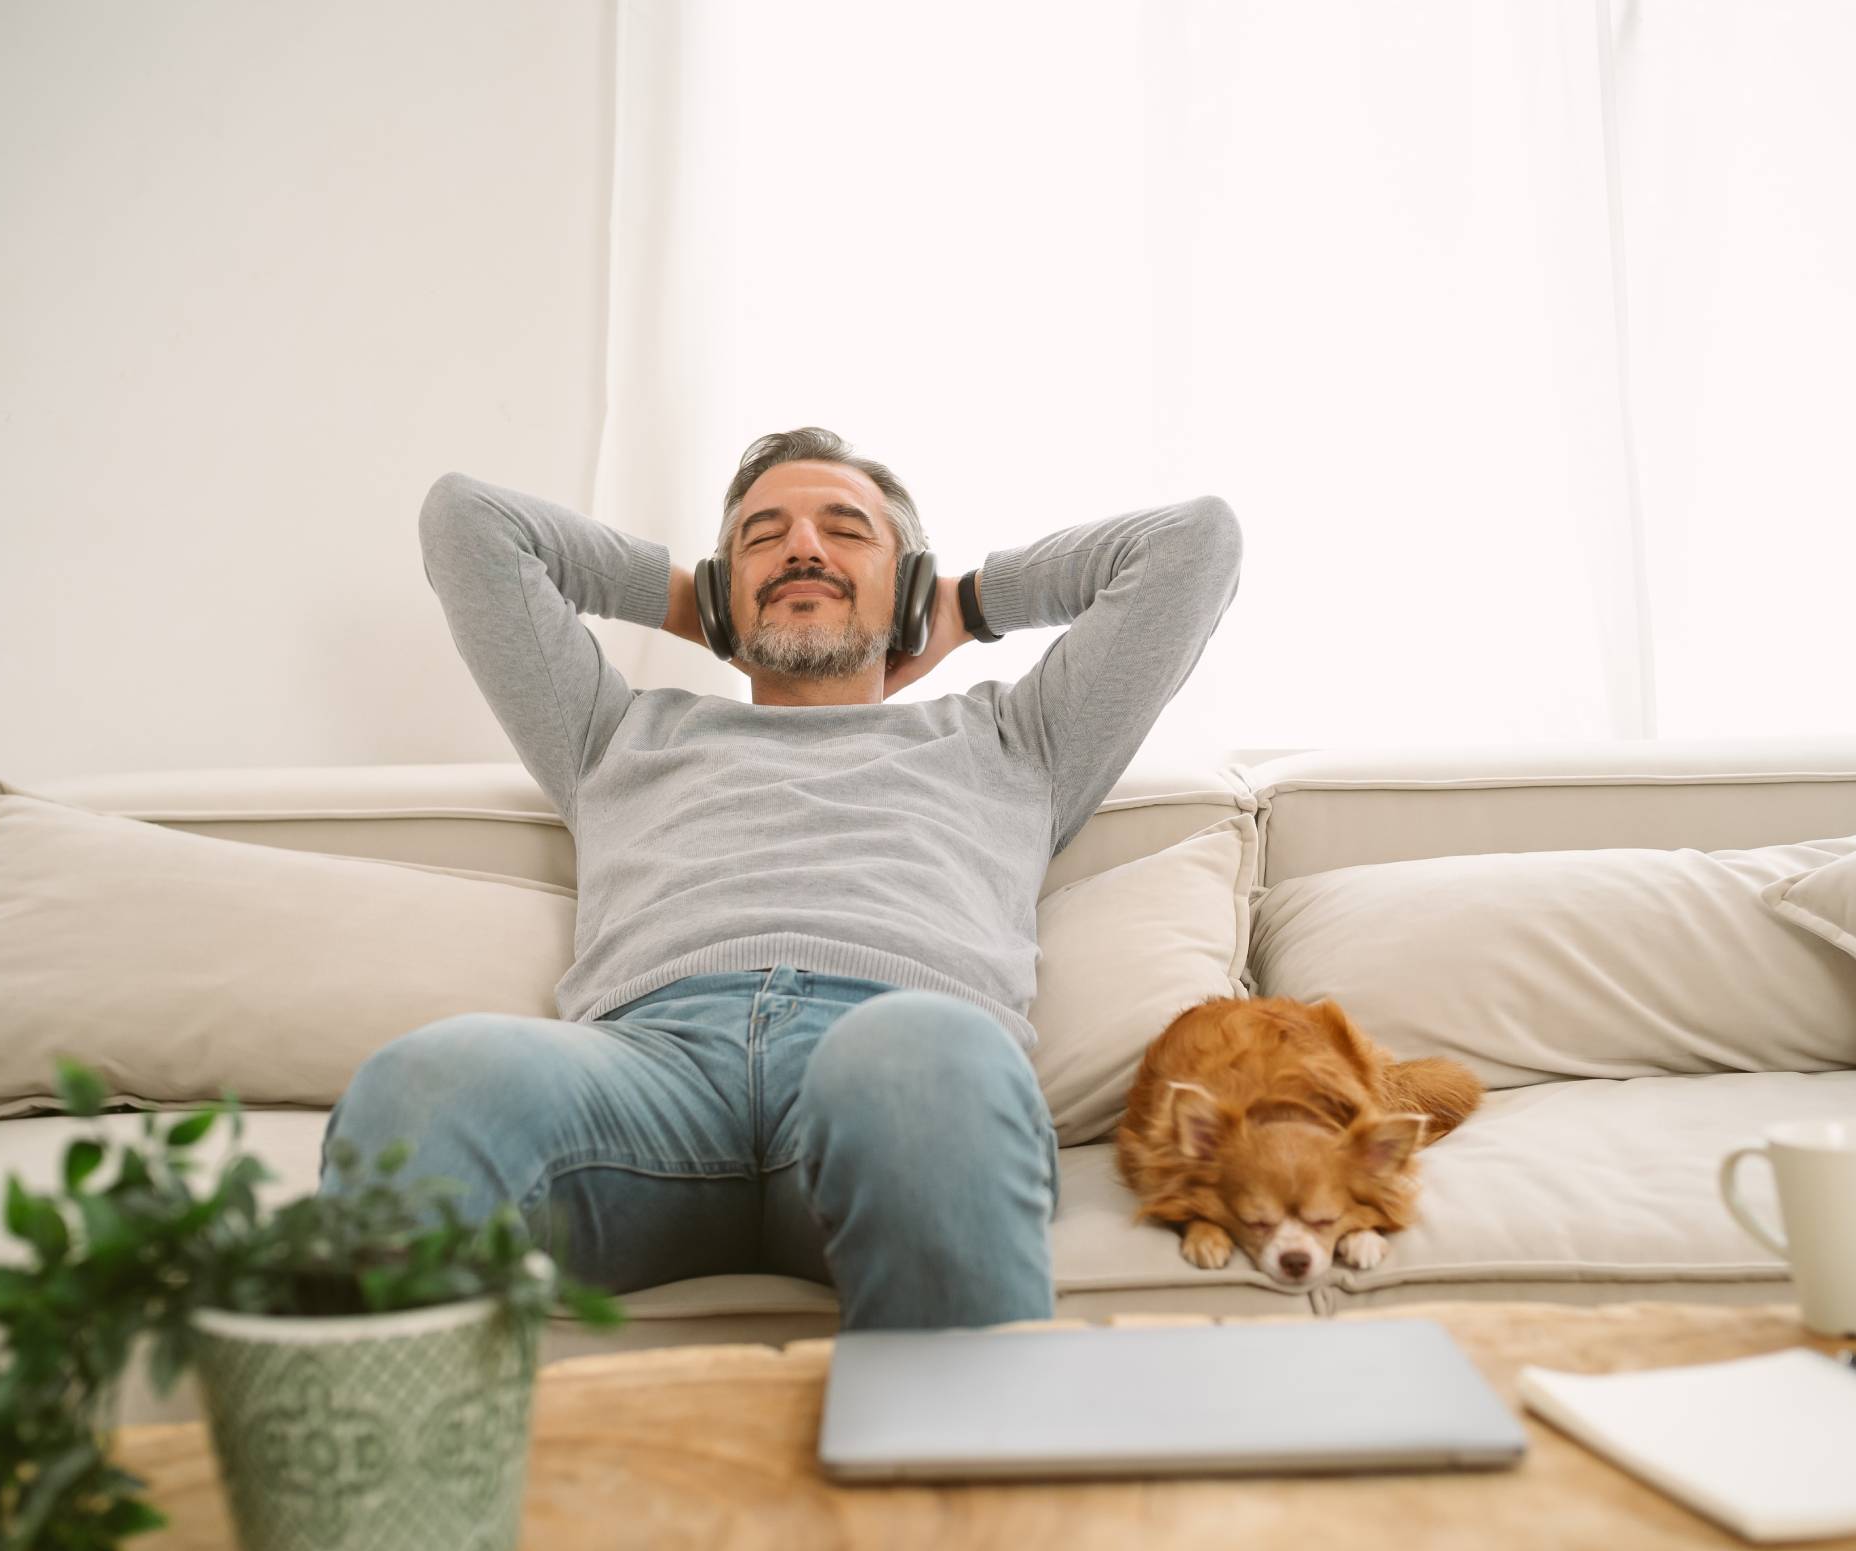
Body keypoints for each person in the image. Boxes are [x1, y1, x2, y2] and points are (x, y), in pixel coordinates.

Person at [319, 426, 1242, 1329]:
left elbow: (1194, 544)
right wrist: (694, 601)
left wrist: (965, 604)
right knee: (424, 1084)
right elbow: (468, 521)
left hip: (896, 1063)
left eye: (845, 531)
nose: (801, 548)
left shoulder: (1018, 740)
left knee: (917, 1057)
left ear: (909, 580)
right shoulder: (611, 734)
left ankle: (954, 1471)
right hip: (646, 1077)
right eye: (762, 538)